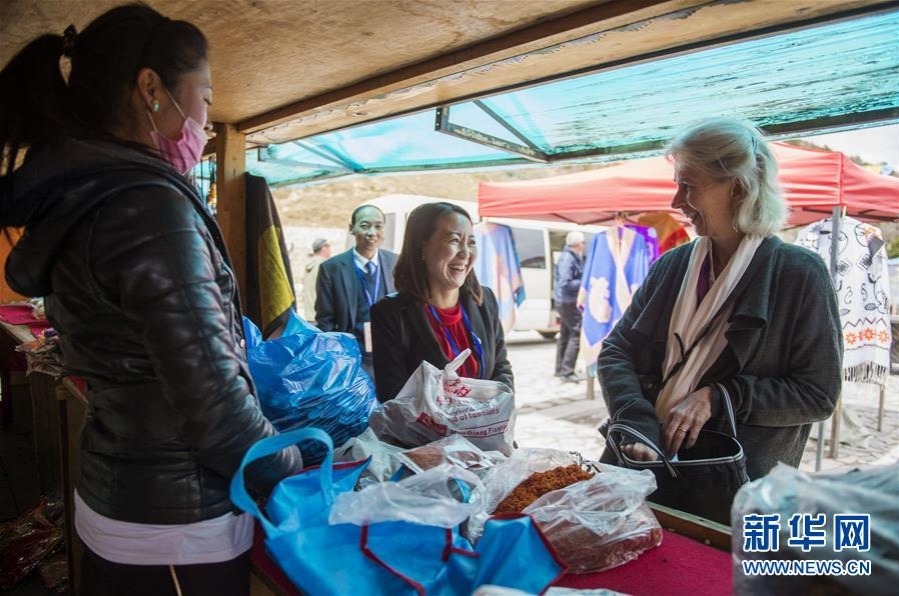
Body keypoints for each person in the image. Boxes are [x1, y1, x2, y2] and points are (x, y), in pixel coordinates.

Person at [0, 6, 302, 595]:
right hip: (177, 528)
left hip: (123, 496)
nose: (209, 123)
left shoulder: (86, 196)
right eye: (206, 98)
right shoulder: (149, 208)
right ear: (151, 90)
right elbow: (216, 414)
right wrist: (294, 468)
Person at [598, 117, 841, 486]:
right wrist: (635, 419)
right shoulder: (672, 266)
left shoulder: (798, 273)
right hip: (638, 461)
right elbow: (617, 349)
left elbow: (817, 395)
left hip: (732, 483)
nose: (677, 201)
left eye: (689, 186)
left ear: (739, 189)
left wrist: (720, 396)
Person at [371, 202, 513, 402]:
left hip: (486, 429)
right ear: (422, 247)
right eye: (454, 240)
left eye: (471, 242)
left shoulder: (484, 301)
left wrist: (495, 408)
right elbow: (393, 395)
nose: (465, 253)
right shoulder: (390, 313)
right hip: (428, 432)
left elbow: (501, 368)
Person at [315, 204, 397, 377]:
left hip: (391, 354)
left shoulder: (395, 263)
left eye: (378, 226)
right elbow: (325, 320)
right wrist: (337, 361)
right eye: (365, 226)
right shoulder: (331, 269)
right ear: (352, 229)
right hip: (351, 358)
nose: (372, 233)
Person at [553, 230, 586, 383]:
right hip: (567, 301)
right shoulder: (568, 258)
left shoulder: (570, 256)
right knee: (576, 333)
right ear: (578, 244)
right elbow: (565, 283)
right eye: (583, 243)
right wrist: (585, 282)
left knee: (566, 334)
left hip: (565, 300)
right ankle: (567, 371)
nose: (584, 246)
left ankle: (560, 369)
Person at [302, 237, 331, 320]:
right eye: (328, 246)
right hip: (320, 316)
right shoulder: (323, 266)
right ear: (324, 248)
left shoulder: (309, 266)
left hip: (309, 315)